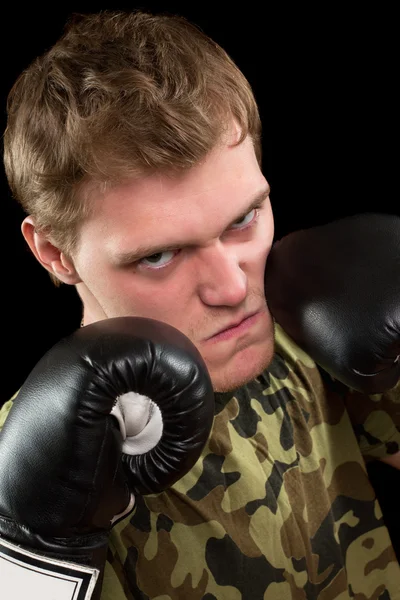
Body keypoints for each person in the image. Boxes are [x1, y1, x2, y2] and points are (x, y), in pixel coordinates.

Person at [0, 9, 399, 600]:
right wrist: (33, 557)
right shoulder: (26, 468)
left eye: (244, 219)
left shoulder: (310, 331)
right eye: (159, 256)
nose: (234, 289)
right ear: (55, 253)